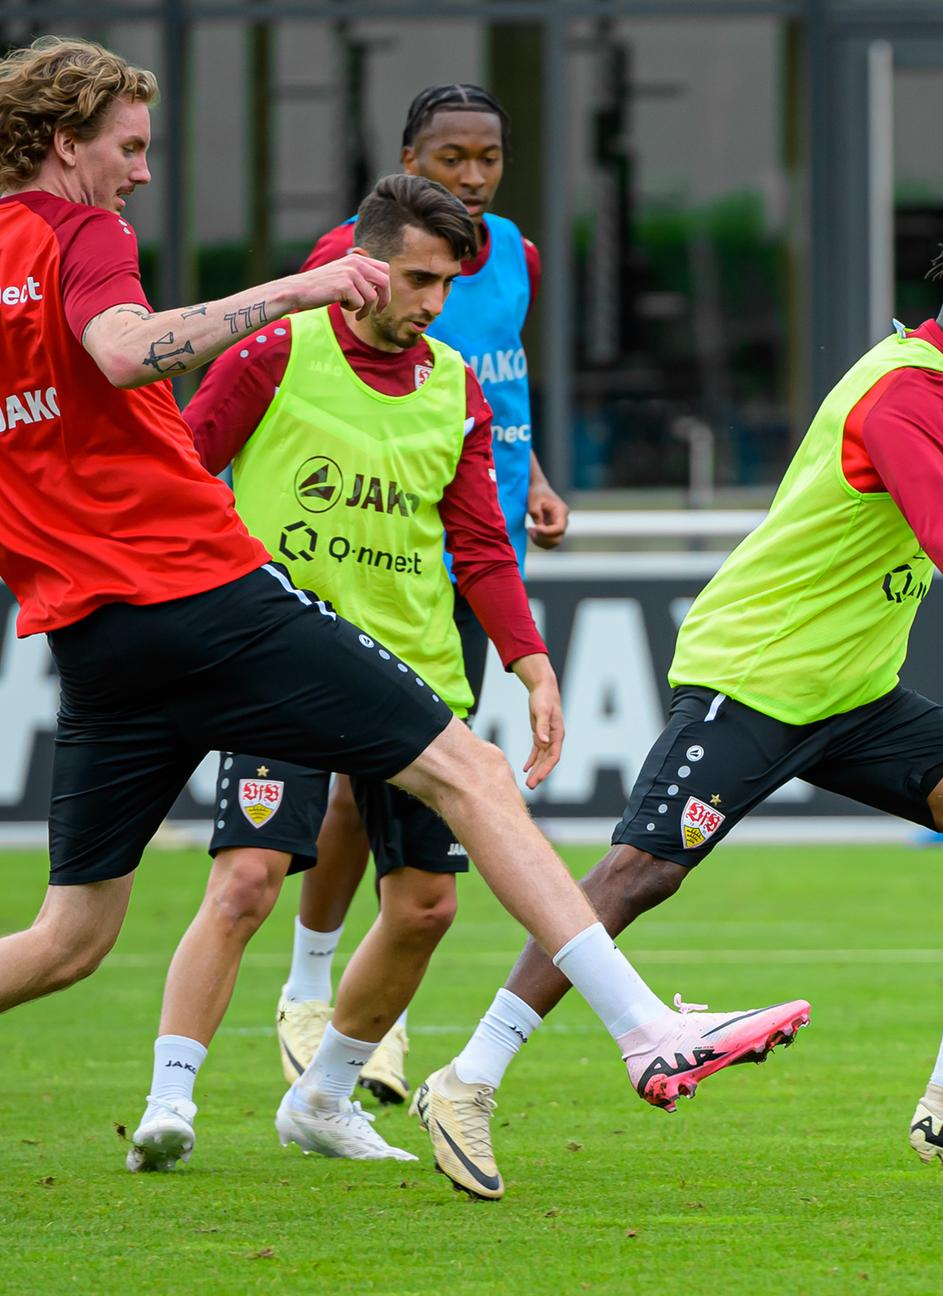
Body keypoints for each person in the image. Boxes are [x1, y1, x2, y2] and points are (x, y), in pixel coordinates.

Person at [0, 35, 810, 1184]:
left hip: (90, 631)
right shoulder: (86, 232)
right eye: (128, 148)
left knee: (68, 938)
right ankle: (647, 1031)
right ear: (63, 140)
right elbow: (130, 354)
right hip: (199, 590)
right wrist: (301, 282)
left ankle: (326, 1084)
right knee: (471, 773)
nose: (138, 172)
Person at [410, 224, 943, 1198]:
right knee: (638, 874)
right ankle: (467, 1080)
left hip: (853, 693)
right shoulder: (907, 391)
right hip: (756, 675)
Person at [130, 172, 566, 1166]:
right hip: (280, 663)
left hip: (412, 674)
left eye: (446, 285)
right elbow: (182, 477)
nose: (430, 303)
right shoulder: (276, 350)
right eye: (416, 278)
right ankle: (170, 1102)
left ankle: (322, 1099)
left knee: (426, 906)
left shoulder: (454, 382)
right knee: (245, 881)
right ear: (359, 264)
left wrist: (531, 664)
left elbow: (482, 548)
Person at [278, 83, 569, 1105]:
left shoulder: (518, 257)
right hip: (378, 557)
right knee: (370, 786)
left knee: (408, 795)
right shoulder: (344, 257)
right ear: (410, 159)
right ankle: (315, 987)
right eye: (453, 158)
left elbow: (501, 379)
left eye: (489, 158)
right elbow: (323, 378)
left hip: (477, 560)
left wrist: (530, 474)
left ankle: (349, 1016)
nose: (475, 176)